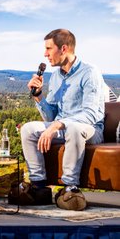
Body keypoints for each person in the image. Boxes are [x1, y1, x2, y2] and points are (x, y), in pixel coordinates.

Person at [20, 29, 105, 210]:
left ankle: (70, 188)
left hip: (89, 129)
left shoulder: (90, 72)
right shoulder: (56, 76)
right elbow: (51, 115)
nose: (45, 54)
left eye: (49, 49)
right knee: (28, 129)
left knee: (73, 128)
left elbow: (90, 113)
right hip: (63, 127)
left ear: (64, 48)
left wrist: (59, 124)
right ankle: (39, 186)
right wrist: (38, 96)